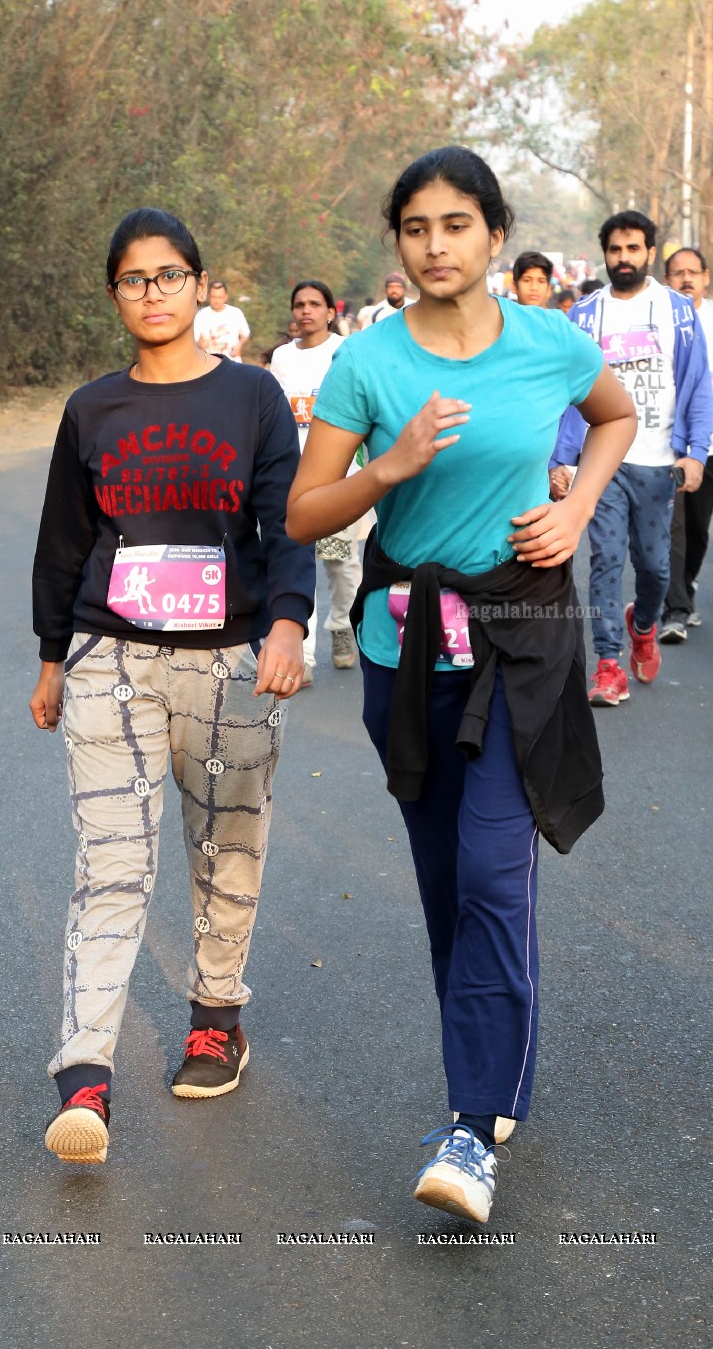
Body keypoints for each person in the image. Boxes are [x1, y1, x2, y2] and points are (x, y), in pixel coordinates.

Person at [286, 147, 634, 1225]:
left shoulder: (546, 343)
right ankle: (499, 1076)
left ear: (494, 234)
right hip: (405, 654)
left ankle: (470, 1126)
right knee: (448, 885)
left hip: (520, 635)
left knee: (491, 873)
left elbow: (615, 417)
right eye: (415, 227)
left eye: (456, 225)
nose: (435, 245)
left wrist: (573, 513)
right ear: (397, 241)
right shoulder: (367, 365)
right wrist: (386, 471)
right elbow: (302, 515)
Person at [31, 207, 315, 1165]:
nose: (150, 293)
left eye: (168, 275)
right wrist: (48, 656)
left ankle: (213, 1016)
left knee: (224, 845)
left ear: (201, 285)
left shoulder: (254, 397)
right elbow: (64, 541)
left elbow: (287, 519)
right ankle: (84, 1078)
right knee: (110, 860)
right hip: (110, 654)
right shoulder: (92, 408)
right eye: (131, 279)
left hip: (230, 658)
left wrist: (287, 621)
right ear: (115, 295)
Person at [552, 211, 712, 706]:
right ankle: (607, 665)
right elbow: (565, 393)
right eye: (616, 250)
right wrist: (560, 458)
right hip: (602, 461)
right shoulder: (584, 316)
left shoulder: (678, 312)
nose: (624, 258)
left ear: (649, 253)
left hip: (659, 459)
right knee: (604, 559)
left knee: (656, 568)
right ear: (605, 253)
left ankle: (642, 624)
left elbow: (699, 386)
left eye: (634, 249)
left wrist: (696, 453)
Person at [270, 280, 371, 681]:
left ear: (331, 312)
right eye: (299, 304)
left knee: (340, 563)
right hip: (293, 479)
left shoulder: (345, 353)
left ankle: (343, 624)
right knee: (297, 562)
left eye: (315, 304)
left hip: (340, 479)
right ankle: (305, 655)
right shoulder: (281, 358)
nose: (306, 310)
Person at [660, 247, 713, 640]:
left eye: (693, 272)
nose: (686, 279)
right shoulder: (663, 319)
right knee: (674, 529)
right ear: (667, 280)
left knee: (698, 529)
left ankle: (686, 586)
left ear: (706, 277)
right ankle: (675, 609)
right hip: (675, 445)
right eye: (678, 273)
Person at [193, 279, 250, 360]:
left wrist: (239, 345)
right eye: (214, 297)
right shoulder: (201, 314)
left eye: (220, 297)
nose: (216, 300)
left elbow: (245, 334)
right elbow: (194, 340)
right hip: (210, 362)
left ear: (226, 297)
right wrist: (200, 344)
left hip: (232, 361)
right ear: (209, 296)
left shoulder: (236, 313)